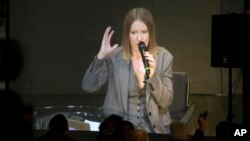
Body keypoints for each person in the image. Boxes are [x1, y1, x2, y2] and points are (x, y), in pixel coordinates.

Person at [82, 7, 173, 134]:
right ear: (127, 34)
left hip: (153, 129)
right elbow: (88, 86)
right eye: (133, 32)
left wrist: (153, 77)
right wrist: (100, 57)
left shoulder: (164, 57)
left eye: (144, 32)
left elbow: (165, 102)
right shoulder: (115, 57)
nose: (139, 38)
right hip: (121, 130)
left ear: (151, 33)